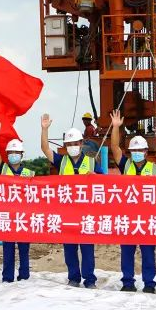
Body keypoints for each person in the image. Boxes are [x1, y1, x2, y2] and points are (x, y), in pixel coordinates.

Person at [41, 113, 104, 288]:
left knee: (87, 250)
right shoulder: (61, 162)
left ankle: (89, 280)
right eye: (69, 144)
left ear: (82, 143)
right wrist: (44, 130)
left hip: (86, 214)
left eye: (75, 143)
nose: (72, 146)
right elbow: (46, 150)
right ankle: (73, 278)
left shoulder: (91, 163)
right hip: (67, 213)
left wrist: (96, 176)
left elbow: (106, 183)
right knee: (70, 250)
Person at [109, 110, 156, 293]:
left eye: (140, 150)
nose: (137, 153)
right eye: (134, 151)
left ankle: (149, 284)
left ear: (146, 152)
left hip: (147, 218)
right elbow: (115, 148)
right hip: (128, 218)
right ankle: (128, 283)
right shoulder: (126, 165)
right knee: (127, 253)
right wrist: (116, 127)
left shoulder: (155, 170)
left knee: (148, 254)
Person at [0, 118, 34, 283]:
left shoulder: (29, 173)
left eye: (16, 153)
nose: (13, 155)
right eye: (10, 153)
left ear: (21, 155)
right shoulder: (3, 169)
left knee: (24, 249)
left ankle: (24, 277)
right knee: (8, 249)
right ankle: (7, 277)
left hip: (23, 216)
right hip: (7, 216)